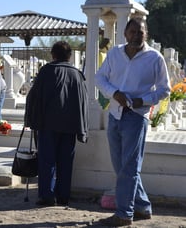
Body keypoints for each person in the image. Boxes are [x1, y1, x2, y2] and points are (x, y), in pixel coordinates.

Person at [95, 17, 171, 227]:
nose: (137, 35)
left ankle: (124, 214)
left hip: (136, 117)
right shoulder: (114, 54)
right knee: (121, 167)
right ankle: (143, 207)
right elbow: (100, 78)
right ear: (125, 33)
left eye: (141, 32)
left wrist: (143, 100)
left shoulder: (154, 58)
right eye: (133, 32)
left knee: (129, 167)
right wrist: (114, 93)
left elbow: (165, 89)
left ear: (146, 33)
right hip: (115, 114)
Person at [25, 41, 88, 207]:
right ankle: (63, 196)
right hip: (70, 126)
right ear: (69, 56)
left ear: (53, 55)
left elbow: (33, 97)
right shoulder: (77, 74)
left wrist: (31, 120)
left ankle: (47, 195)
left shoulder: (46, 72)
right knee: (66, 162)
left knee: (47, 161)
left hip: (48, 125)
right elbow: (83, 102)